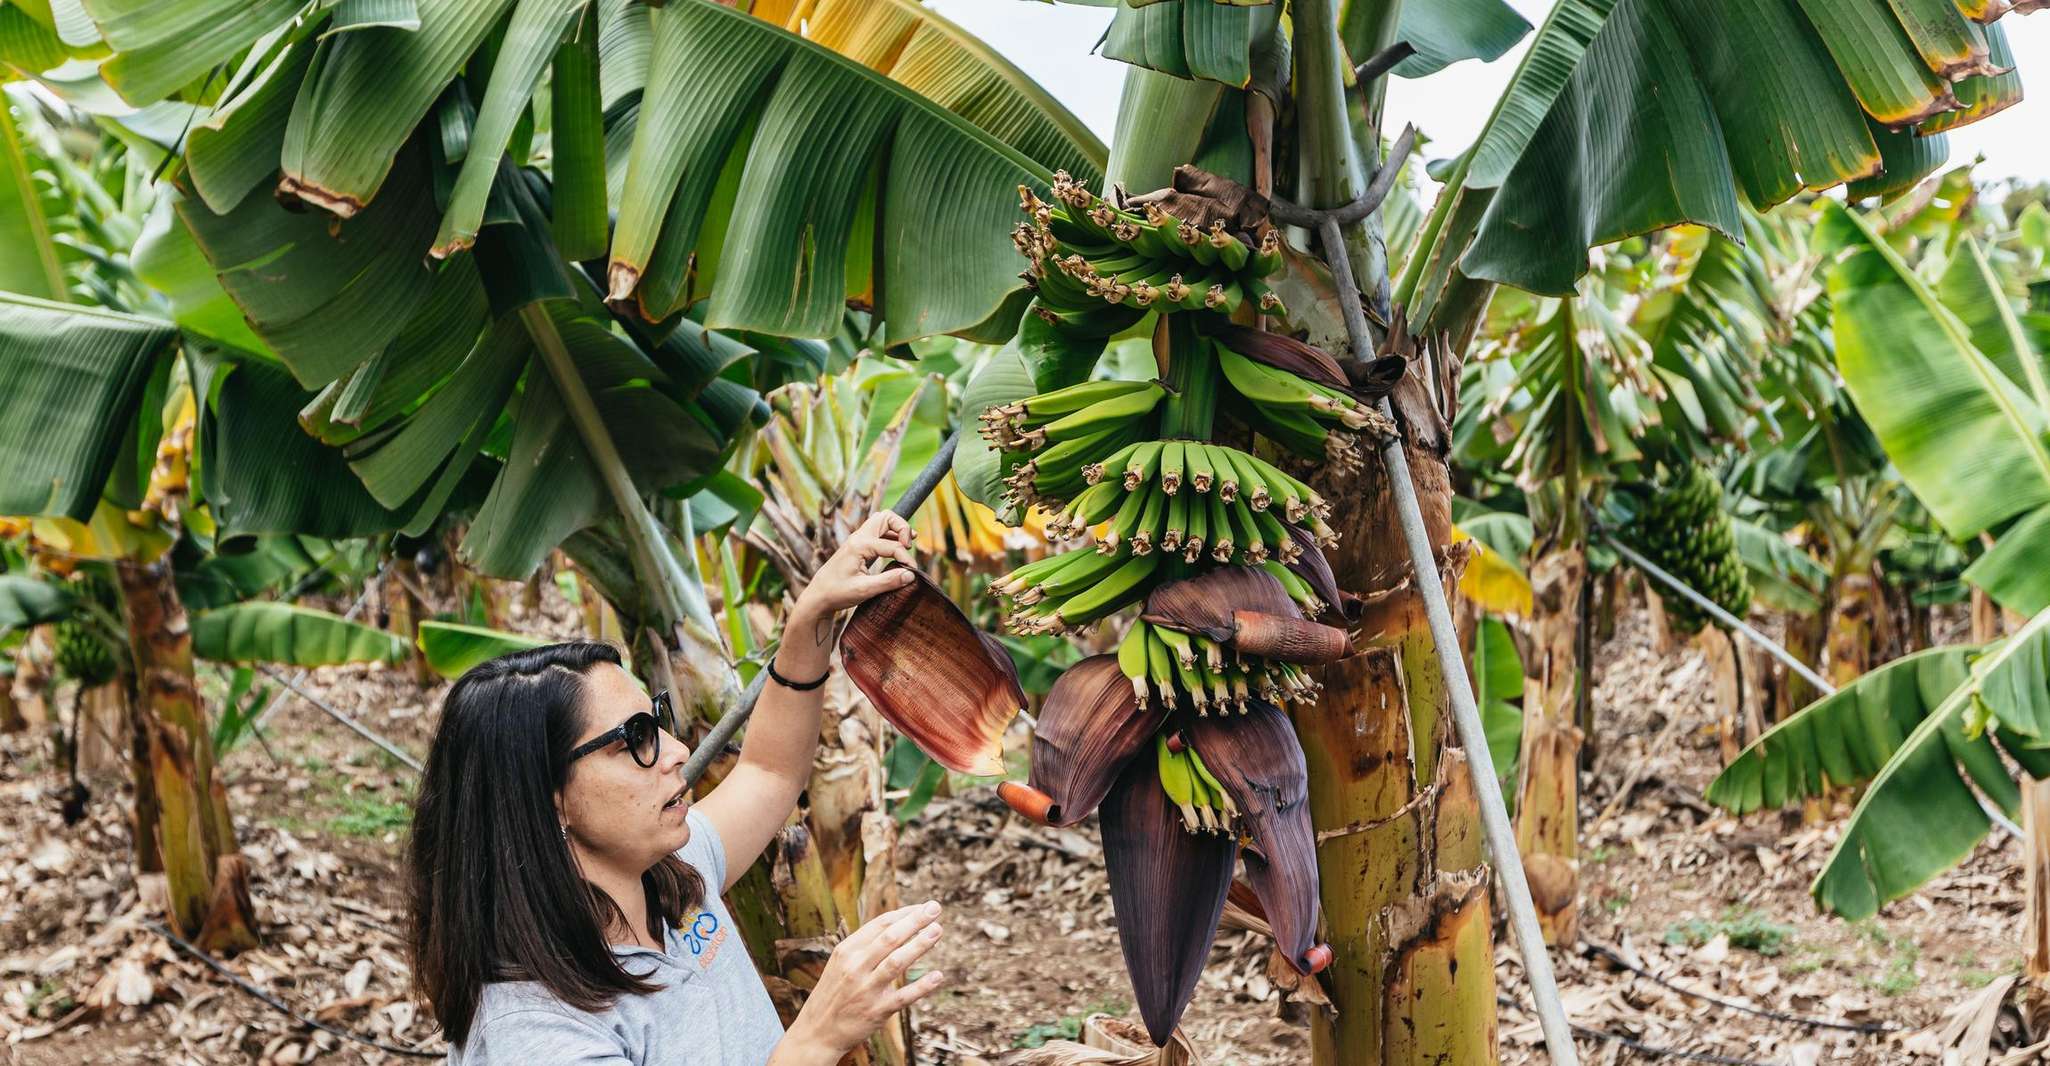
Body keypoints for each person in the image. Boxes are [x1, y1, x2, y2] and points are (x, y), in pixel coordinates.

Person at [406, 511, 947, 1065]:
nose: (678, 751)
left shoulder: (672, 881)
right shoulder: (535, 1030)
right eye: (635, 739)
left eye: (657, 721)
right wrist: (821, 1035)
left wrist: (813, 614)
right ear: (550, 799)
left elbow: (769, 772)